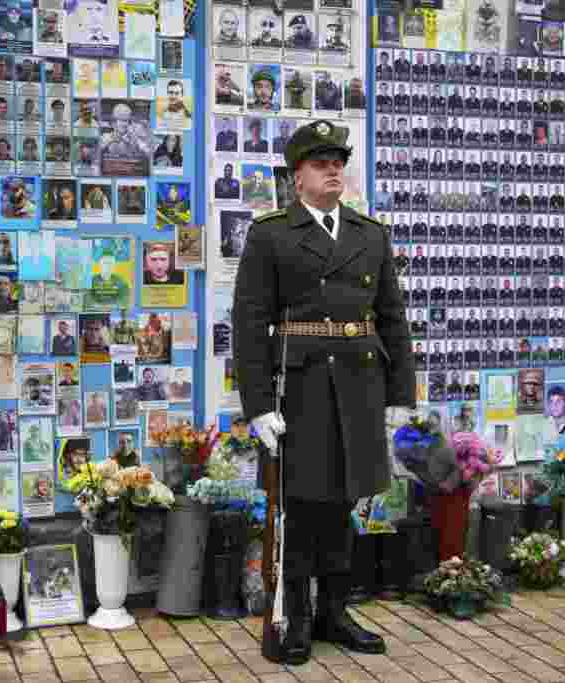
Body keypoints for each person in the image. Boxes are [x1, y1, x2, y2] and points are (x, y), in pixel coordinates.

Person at [232, 120, 413, 665]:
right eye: (320, 163)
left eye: (338, 161)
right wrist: (259, 406)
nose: (333, 169)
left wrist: (399, 391)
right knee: (302, 507)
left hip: (358, 385)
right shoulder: (271, 234)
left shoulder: (369, 234)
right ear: (296, 178)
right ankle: (298, 618)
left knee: (344, 505)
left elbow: (392, 319)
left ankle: (337, 611)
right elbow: (248, 323)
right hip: (302, 388)